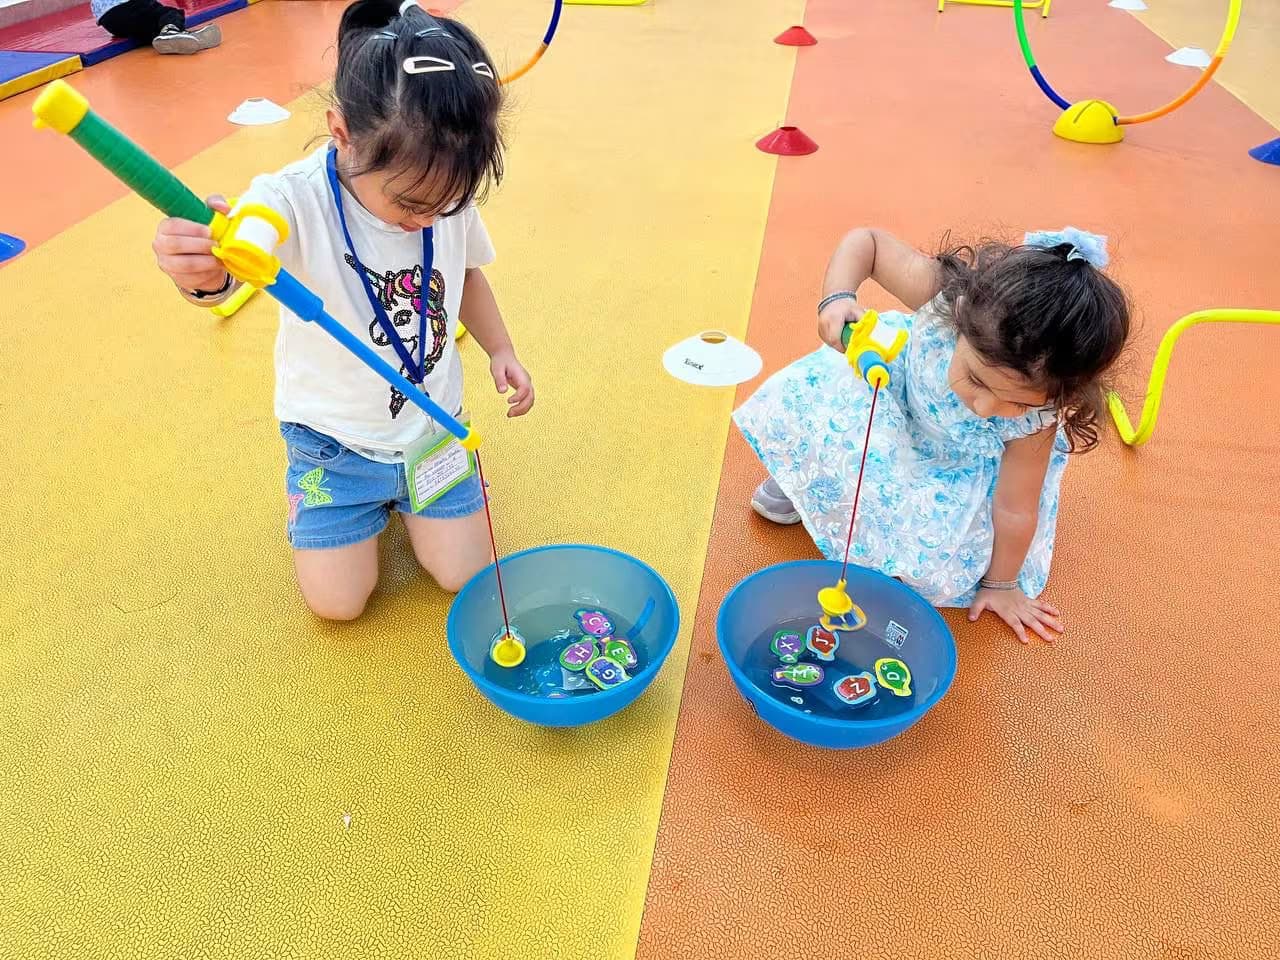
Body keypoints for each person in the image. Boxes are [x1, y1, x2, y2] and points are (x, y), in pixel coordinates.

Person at [150, 0, 534, 620]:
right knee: (339, 605)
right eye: (410, 203)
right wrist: (206, 272)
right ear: (342, 132)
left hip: (433, 428)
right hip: (335, 445)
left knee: (465, 575)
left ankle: (424, 498)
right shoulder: (291, 198)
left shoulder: (444, 187)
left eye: (445, 204)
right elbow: (242, 253)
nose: (428, 219)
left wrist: (501, 348)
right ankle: (333, 505)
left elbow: (465, 271)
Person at [735, 226, 1130, 644]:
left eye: (1018, 403)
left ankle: (851, 503)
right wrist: (837, 298)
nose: (985, 408)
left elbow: (1015, 507)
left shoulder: (1038, 420)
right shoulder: (946, 297)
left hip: (951, 468)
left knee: (935, 543)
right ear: (960, 316)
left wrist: (1001, 584)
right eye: (976, 380)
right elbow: (868, 243)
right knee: (824, 386)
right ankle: (802, 478)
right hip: (890, 404)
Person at [92, 0, 223, 55]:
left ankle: (168, 36)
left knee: (149, 24)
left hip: (110, 23)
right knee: (169, 13)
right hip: (128, 5)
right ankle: (170, 30)